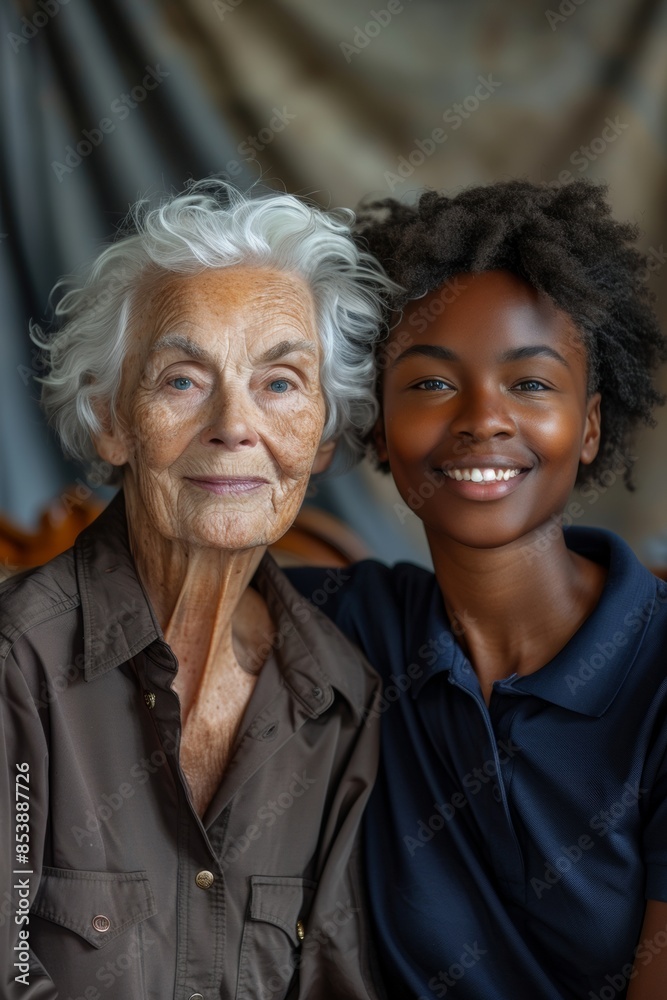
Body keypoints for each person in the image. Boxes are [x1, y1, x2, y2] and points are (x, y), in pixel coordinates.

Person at [0, 180, 396, 999]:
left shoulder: (337, 701)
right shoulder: (18, 667)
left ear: (320, 436)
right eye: (182, 379)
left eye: (280, 383)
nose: (234, 424)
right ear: (111, 419)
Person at [287, 180, 667, 1000]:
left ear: (590, 423)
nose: (481, 418)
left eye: (530, 383)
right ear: (376, 425)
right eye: (428, 384)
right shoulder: (344, 631)